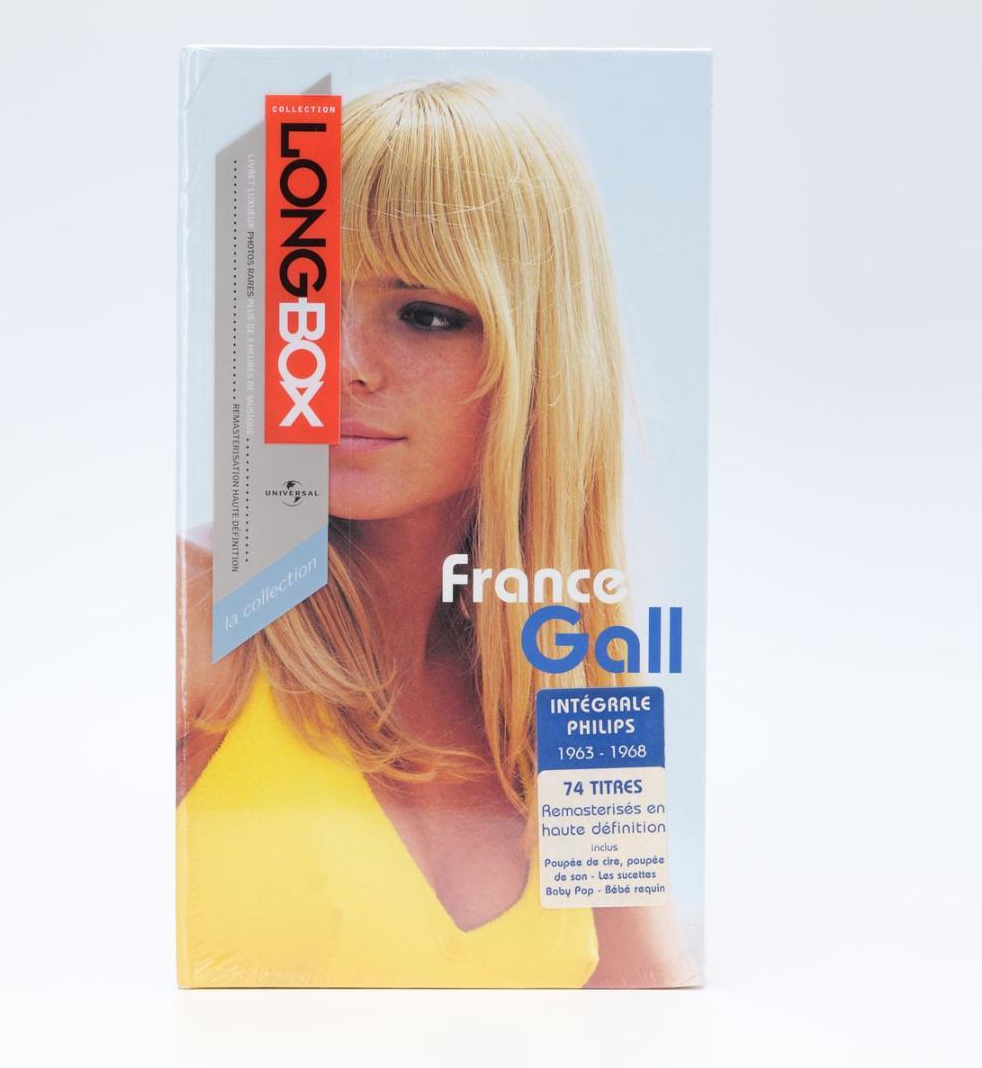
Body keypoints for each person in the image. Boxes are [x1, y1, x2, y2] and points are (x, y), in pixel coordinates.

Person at [177, 77, 697, 988]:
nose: (336, 366)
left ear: (541, 358)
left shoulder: (573, 672)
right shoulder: (197, 613)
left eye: (424, 315)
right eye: (308, 304)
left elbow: (650, 1006)